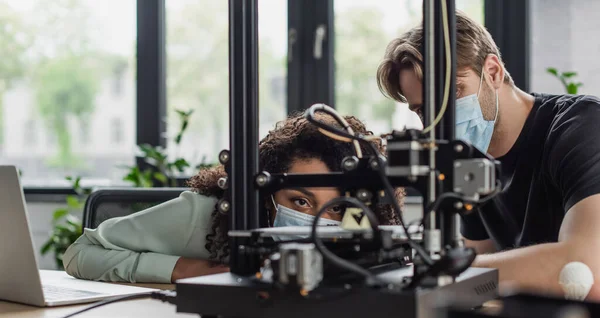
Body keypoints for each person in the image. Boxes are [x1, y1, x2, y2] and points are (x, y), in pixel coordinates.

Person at [376, 10, 600, 299]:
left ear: (492, 72)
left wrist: (444, 269)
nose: (438, 120)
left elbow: (586, 271)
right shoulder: (468, 163)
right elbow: (476, 265)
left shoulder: (581, 127)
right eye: (423, 110)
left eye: (452, 94)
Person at [63, 113, 404, 283]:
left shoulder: (360, 225)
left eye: (337, 208)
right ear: (263, 191)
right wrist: (181, 268)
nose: (320, 220)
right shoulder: (204, 216)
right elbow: (81, 253)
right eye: (300, 202)